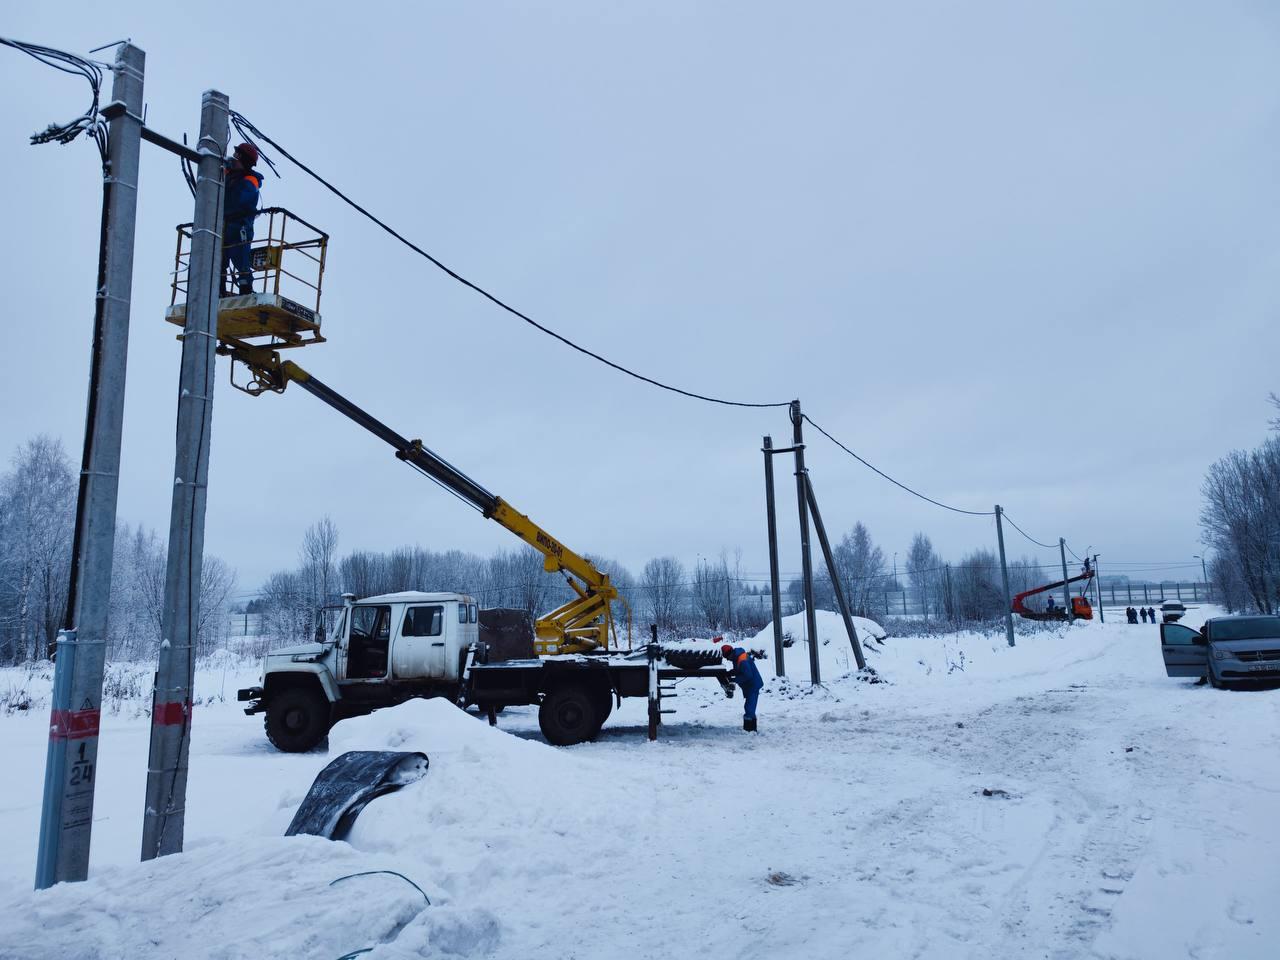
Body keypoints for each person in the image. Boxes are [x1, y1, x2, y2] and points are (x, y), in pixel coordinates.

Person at [221, 141, 263, 297]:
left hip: (239, 226)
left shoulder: (249, 180)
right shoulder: (227, 175)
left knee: (240, 259)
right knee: (219, 259)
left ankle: (245, 290)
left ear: (244, 160)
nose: (234, 158)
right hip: (223, 225)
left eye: (237, 156)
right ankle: (218, 290)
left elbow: (240, 200)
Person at [721, 642, 764, 732]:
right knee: (749, 707)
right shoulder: (736, 657)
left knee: (749, 708)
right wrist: (731, 672)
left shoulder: (742, 659)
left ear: (730, 654)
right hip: (749, 685)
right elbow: (739, 670)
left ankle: (750, 729)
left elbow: (748, 675)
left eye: (727, 658)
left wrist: (734, 680)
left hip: (753, 685)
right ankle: (750, 729)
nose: (728, 660)